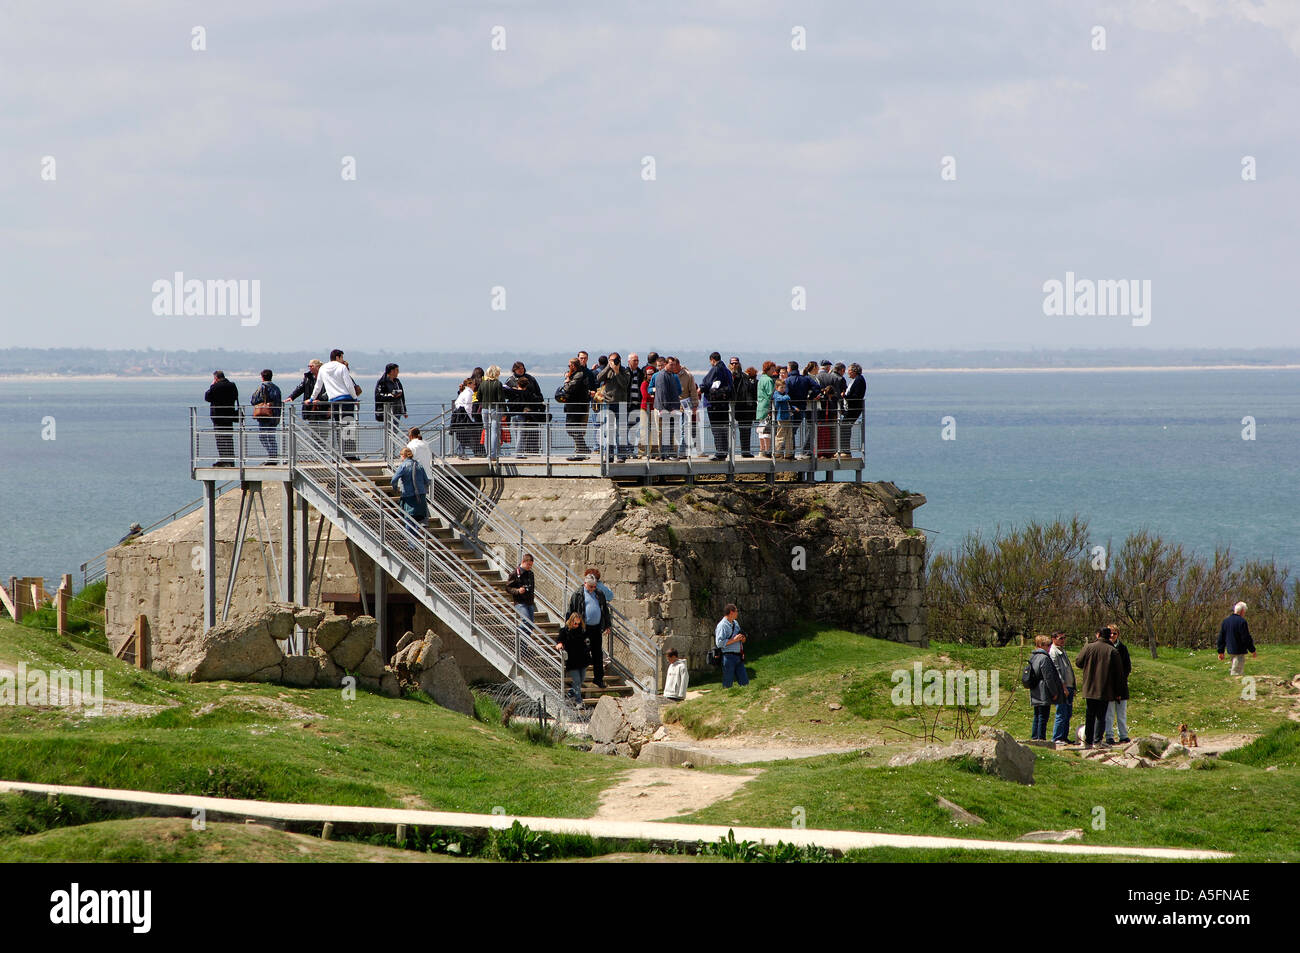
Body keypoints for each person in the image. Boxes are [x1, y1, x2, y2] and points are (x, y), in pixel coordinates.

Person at [311, 349, 363, 459]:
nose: (343, 360)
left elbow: (318, 385)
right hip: (346, 400)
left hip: (334, 401)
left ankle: (340, 454)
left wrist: (312, 398)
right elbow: (349, 385)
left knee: (338, 427)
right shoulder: (342, 367)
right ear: (338, 357)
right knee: (348, 427)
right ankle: (350, 455)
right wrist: (355, 398)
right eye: (342, 357)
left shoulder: (323, 368)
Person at [1075, 627, 1120, 749]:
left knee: (1090, 714)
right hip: (1105, 688)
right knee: (1101, 716)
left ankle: (1088, 741)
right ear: (1109, 636)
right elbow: (1118, 673)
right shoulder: (1112, 650)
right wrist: (1118, 691)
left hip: (1089, 686)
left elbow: (1078, 662)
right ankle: (1097, 741)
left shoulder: (1089, 647)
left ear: (1098, 635)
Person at [567, 570, 611, 689]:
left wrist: (607, 625)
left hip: (596, 628)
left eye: (594, 586)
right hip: (583, 628)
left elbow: (605, 610)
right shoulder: (578, 594)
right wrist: (570, 627)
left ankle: (598, 679)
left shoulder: (599, 593)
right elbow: (571, 611)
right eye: (590, 586)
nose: (592, 589)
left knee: (597, 654)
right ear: (585, 583)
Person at [1027, 634, 1063, 741]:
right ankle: (1041, 738)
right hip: (1043, 691)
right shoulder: (1044, 658)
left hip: (1035, 689)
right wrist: (1054, 692)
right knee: (1043, 716)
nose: (1049, 647)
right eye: (1048, 645)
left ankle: (1035, 737)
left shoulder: (1033, 657)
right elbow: (1048, 677)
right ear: (1042, 645)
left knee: (1037, 715)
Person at [503, 361, 543, 456]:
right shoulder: (510, 381)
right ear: (514, 369)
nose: (521, 370)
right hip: (515, 411)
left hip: (531, 411)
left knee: (532, 434)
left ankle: (532, 452)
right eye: (518, 368)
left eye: (522, 368)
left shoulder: (531, 379)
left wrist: (531, 400)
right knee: (519, 434)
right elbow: (505, 395)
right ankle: (520, 453)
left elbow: (539, 395)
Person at [596, 353, 630, 462]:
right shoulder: (608, 370)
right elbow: (598, 378)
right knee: (608, 431)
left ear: (619, 360)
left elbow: (624, 384)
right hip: (608, 403)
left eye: (614, 360)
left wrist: (617, 371)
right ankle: (609, 455)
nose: (612, 362)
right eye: (610, 360)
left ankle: (621, 455)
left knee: (621, 431)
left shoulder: (625, 371)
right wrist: (608, 367)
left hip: (621, 403)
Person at [700, 352, 733, 460]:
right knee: (723, 428)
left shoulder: (715, 369)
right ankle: (724, 452)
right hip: (724, 404)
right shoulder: (727, 371)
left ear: (712, 360)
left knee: (716, 428)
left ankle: (719, 452)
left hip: (714, 404)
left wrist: (699, 391)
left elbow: (706, 384)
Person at [555, 612, 591, 708]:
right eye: (575, 623)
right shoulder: (565, 631)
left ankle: (571, 693)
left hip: (582, 659)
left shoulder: (582, 631)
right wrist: (559, 644)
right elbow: (559, 639)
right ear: (571, 621)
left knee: (581, 679)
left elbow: (587, 640)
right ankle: (579, 701)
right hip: (572, 660)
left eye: (579, 623)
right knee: (577, 680)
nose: (577, 625)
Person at [204, 370, 239, 466]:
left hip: (218, 416)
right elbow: (235, 396)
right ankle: (231, 460)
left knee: (220, 438)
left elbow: (207, 397)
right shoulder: (232, 385)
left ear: (216, 378)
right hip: (229, 415)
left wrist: (212, 385)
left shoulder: (215, 386)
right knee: (228, 438)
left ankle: (224, 459)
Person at [1104, 624, 1132, 744]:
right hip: (1108, 686)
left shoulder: (1123, 648)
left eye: (1114, 633)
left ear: (1118, 634)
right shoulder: (1104, 647)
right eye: (1110, 633)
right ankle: (1109, 735)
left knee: (1121, 713)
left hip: (1121, 685)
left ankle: (1123, 735)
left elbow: (1127, 667)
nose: (1112, 635)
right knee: (1109, 713)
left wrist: (1120, 684)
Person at [390, 446, 428, 532]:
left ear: (403, 456)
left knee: (409, 520)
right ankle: (419, 540)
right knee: (419, 519)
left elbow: (393, 480)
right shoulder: (419, 465)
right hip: (421, 497)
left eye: (400, 456)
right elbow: (426, 480)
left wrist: (395, 488)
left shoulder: (403, 466)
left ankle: (412, 544)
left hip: (409, 497)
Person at [651, 356, 681, 459]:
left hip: (672, 409)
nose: (673, 366)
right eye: (671, 364)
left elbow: (676, 391)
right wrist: (669, 408)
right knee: (665, 431)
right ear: (666, 364)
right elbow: (662, 394)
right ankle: (666, 454)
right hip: (665, 409)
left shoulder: (671, 375)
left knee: (670, 431)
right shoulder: (661, 376)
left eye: (674, 364)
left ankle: (668, 453)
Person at [1049, 630, 1077, 745]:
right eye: (1060, 638)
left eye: (1064, 638)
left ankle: (1064, 736)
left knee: (1068, 713)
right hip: (1062, 688)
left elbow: (1069, 669)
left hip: (1070, 687)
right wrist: (1063, 687)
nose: (1063, 640)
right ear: (1054, 639)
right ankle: (1057, 737)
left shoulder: (1063, 651)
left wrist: (1073, 686)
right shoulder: (1053, 652)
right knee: (1061, 712)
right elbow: (1057, 671)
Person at [286, 360, 328, 436]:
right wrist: (292, 397)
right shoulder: (308, 377)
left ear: (318, 367)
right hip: (311, 407)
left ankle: (321, 446)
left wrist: (321, 400)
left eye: (311, 366)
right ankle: (316, 446)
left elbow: (328, 391)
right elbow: (301, 387)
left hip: (322, 407)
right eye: (309, 366)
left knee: (323, 431)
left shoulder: (326, 377)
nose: (309, 368)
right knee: (313, 430)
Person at [249, 368, 283, 460]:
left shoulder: (262, 387)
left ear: (262, 377)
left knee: (263, 436)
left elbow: (253, 401)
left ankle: (271, 455)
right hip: (275, 415)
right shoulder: (276, 388)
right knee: (271, 436)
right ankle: (273, 456)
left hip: (264, 416)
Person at [561, 358, 591, 460]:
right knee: (572, 429)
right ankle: (582, 449)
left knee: (572, 428)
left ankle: (581, 450)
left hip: (576, 406)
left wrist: (566, 381)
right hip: (574, 406)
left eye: (569, 366)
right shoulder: (579, 374)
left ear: (574, 366)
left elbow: (568, 388)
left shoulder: (579, 375)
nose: (568, 368)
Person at [1217, 601, 1256, 676]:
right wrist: (1252, 650)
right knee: (1237, 672)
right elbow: (1246, 638)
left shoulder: (1226, 621)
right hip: (1239, 650)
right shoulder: (1242, 622)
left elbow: (1221, 637)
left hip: (1230, 649)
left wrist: (1220, 651)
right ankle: (1234, 685)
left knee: (1235, 667)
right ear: (1242, 611)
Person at [505, 554, 536, 642]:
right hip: (520, 602)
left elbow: (532, 587)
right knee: (526, 622)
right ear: (523, 562)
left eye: (531, 565)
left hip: (529, 602)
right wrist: (518, 591)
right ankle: (517, 635)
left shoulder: (530, 573)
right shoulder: (515, 573)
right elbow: (507, 588)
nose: (530, 567)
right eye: (528, 565)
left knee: (531, 625)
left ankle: (523, 647)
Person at [715, 603, 748, 687]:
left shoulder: (735, 623)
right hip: (728, 657)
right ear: (731, 612)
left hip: (738, 656)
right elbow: (719, 643)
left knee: (745, 682)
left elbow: (739, 637)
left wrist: (742, 639)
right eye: (736, 611)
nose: (737, 613)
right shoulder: (722, 625)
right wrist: (734, 640)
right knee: (728, 683)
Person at [479, 365, 505, 461]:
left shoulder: (483, 384)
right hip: (495, 409)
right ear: (496, 373)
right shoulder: (498, 384)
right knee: (494, 432)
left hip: (484, 409)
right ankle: (493, 455)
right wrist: (504, 411)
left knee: (486, 431)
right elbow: (500, 399)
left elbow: (479, 397)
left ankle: (488, 454)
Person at [841, 362, 865, 458]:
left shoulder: (859, 380)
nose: (848, 373)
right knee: (845, 427)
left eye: (849, 371)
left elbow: (856, 395)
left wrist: (845, 396)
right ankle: (845, 450)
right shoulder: (856, 379)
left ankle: (846, 450)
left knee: (845, 427)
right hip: (852, 408)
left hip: (854, 408)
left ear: (854, 371)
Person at [406, 427, 434, 505]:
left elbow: (408, 461)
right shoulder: (425, 444)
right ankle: (424, 515)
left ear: (410, 436)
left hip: (416, 476)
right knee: (423, 499)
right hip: (428, 475)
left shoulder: (411, 446)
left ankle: (420, 516)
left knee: (416, 501)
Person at [452, 377, 478, 458]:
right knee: (466, 435)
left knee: (463, 435)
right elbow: (468, 406)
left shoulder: (464, 392)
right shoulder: (468, 393)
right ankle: (460, 452)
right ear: (469, 384)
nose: (474, 386)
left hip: (459, 416)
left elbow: (457, 403)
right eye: (473, 384)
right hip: (463, 416)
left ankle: (460, 452)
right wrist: (469, 418)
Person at [755, 361, 777, 457]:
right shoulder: (768, 380)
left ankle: (762, 449)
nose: (774, 370)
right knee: (767, 429)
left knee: (761, 428)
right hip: (767, 406)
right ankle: (767, 450)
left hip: (760, 405)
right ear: (768, 369)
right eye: (772, 369)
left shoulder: (761, 379)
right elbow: (770, 394)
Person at [625, 353, 644, 458]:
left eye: (637, 360)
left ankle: (631, 450)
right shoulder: (625, 372)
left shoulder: (641, 373)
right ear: (629, 361)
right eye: (634, 360)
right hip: (628, 404)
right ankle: (628, 450)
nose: (636, 362)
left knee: (634, 429)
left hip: (638, 405)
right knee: (627, 428)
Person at [772, 379, 794, 460]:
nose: (783, 389)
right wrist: (787, 396)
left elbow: (788, 403)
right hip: (781, 417)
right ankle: (777, 452)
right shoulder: (776, 394)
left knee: (789, 435)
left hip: (788, 416)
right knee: (780, 435)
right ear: (777, 387)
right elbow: (780, 399)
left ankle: (788, 453)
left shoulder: (784, 394)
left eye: (784, 387)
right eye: (781, 387)